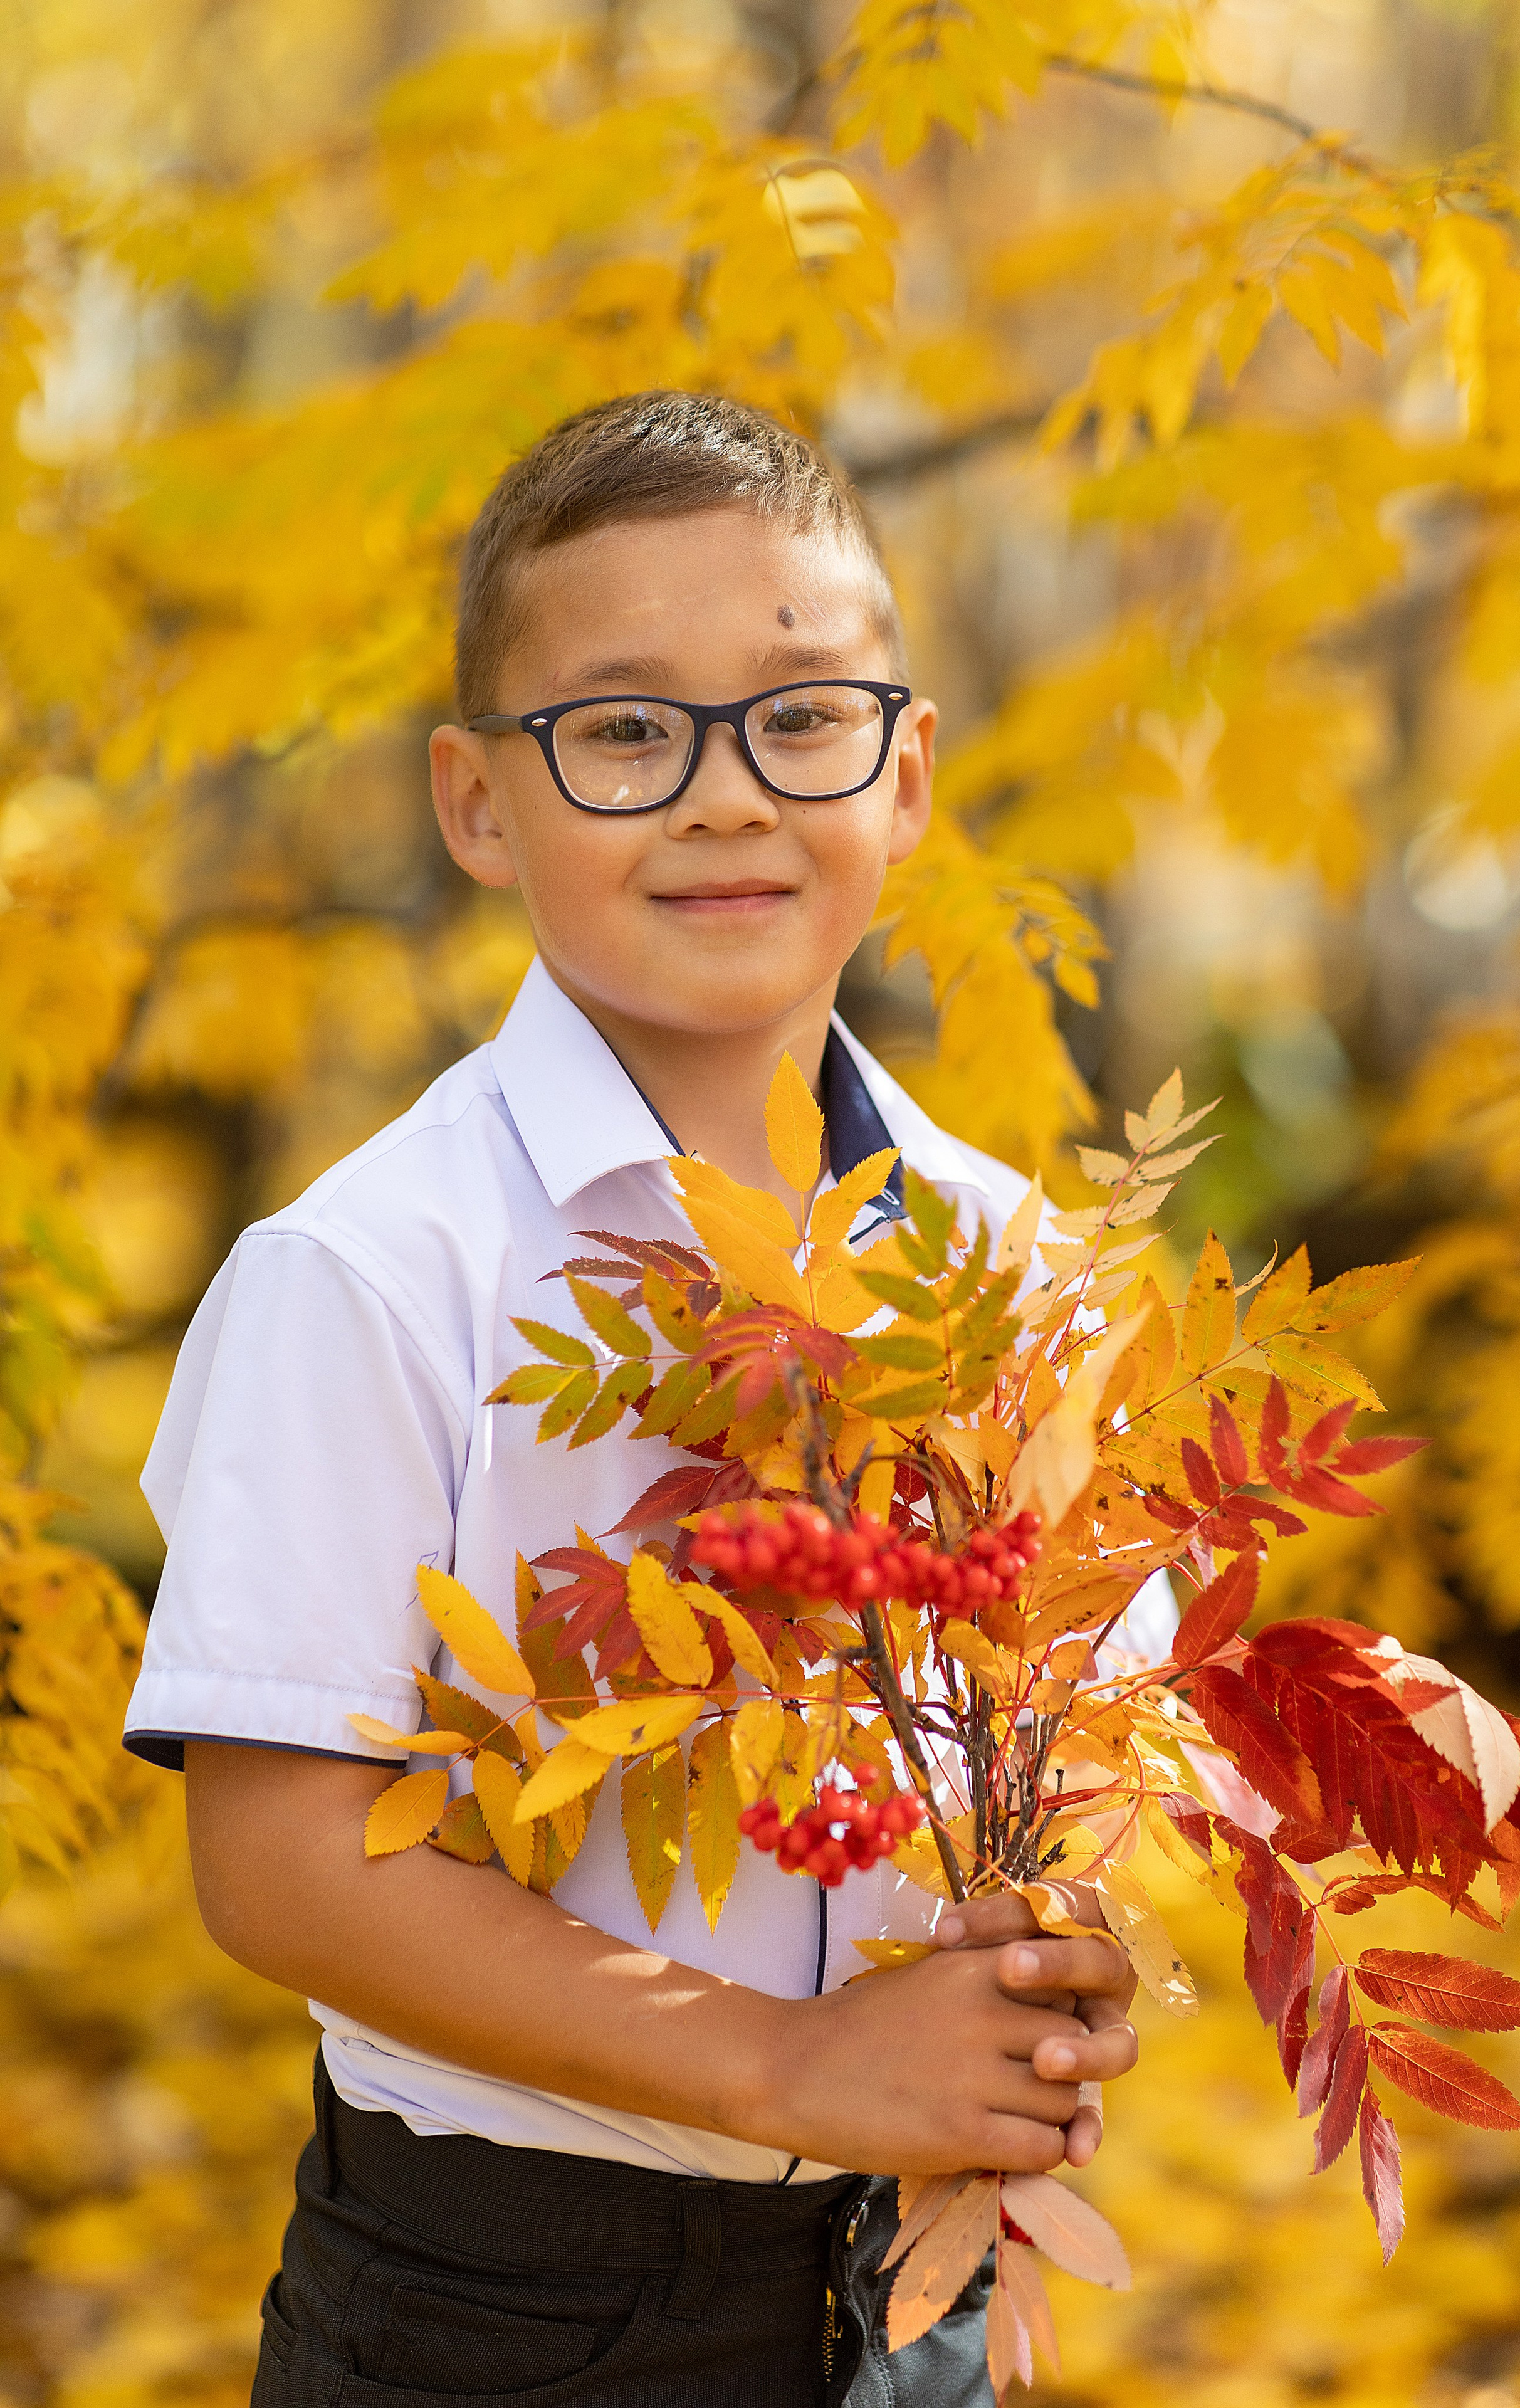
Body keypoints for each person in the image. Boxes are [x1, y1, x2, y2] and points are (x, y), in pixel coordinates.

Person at [124, 391, 1141, 2408]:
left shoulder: (1017, 1261)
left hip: (911, 2280)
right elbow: (284, 1858)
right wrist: (783, 2059)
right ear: (479, 803)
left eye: (798, 714)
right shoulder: (377, 1268)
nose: (727, 798)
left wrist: (1056, 1947)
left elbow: (1088, 1713)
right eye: (620, 729)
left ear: (908, 769)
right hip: (505, 2308)